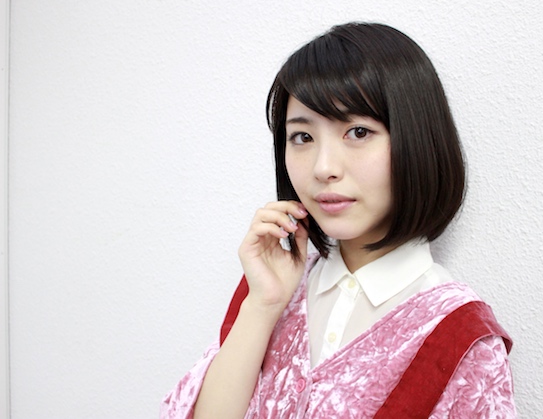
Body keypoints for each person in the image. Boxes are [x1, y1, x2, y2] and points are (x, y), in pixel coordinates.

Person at [160, 22, 516, 419]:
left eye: (358, 132)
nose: (323, 167)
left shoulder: (461, 339)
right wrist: (263, 305)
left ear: (416, 139)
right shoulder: (271, 287)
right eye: (303, 137)